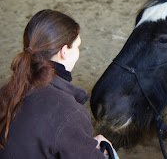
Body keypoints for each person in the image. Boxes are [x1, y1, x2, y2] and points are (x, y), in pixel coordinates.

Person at [0, 9, 117, 159]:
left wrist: (86, 144)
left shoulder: (7, 92)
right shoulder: (69, 113)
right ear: (64, 51)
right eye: (77, 46)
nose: (78, 52)